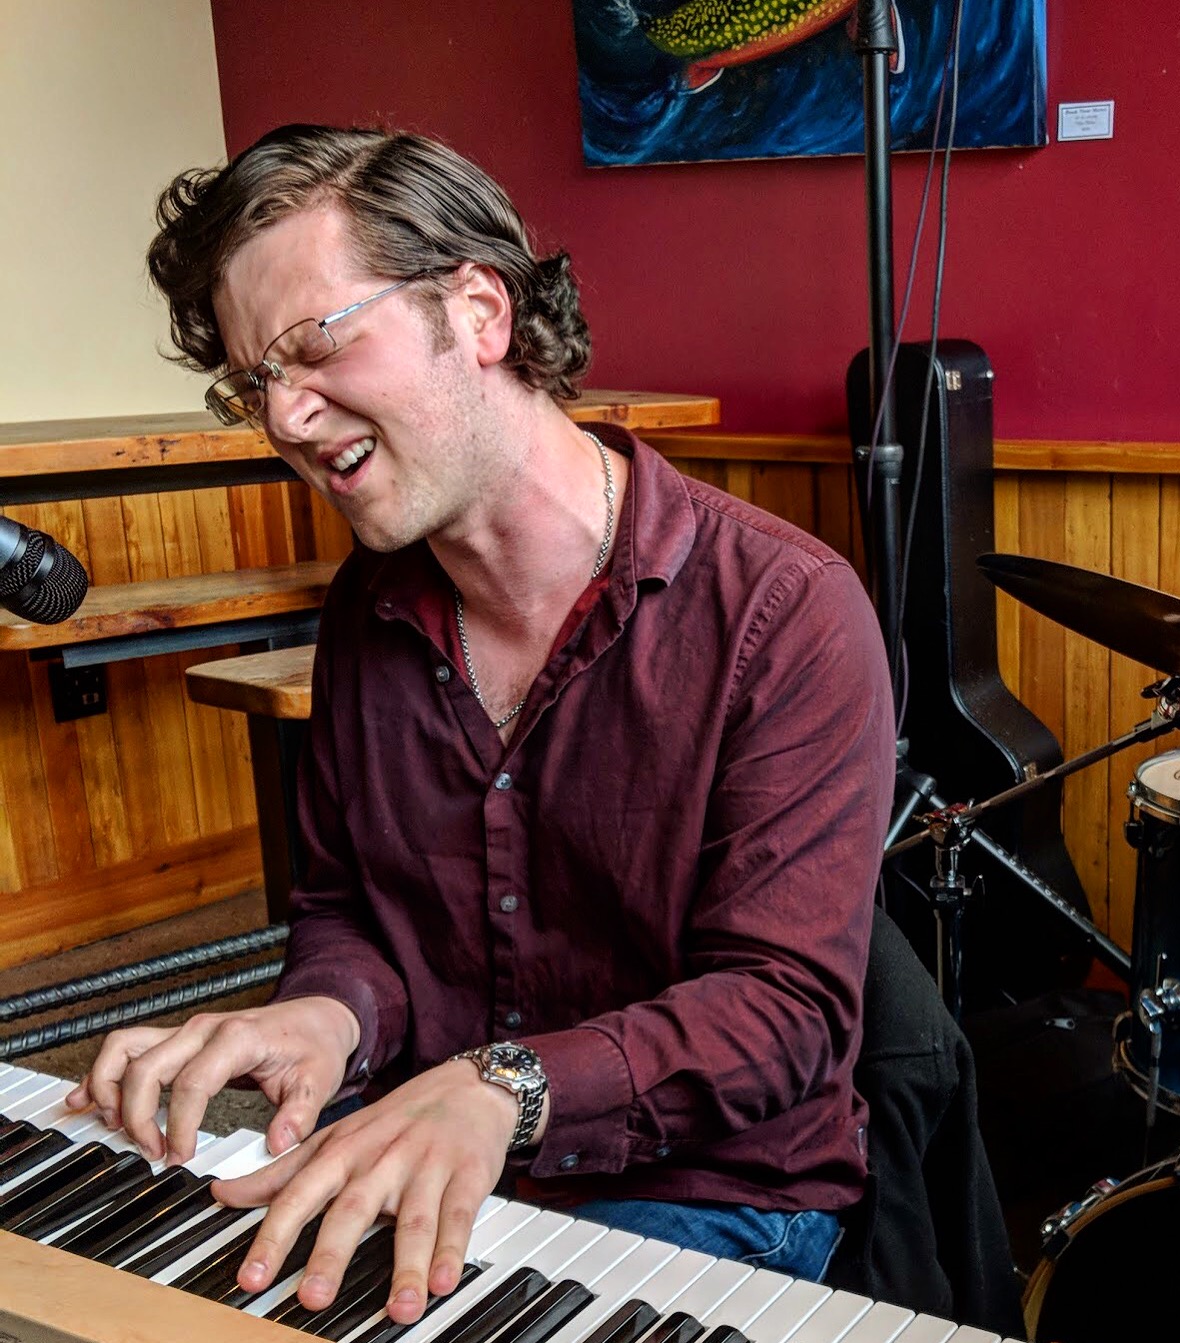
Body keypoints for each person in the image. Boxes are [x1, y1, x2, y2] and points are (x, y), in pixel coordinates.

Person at [67, 123, 898, 1326]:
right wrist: (325, 1015)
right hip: (421, 1139)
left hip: (700, 1192)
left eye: (315, 346)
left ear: (479, 312)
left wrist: (504, 1085)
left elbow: (786, 1010)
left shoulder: (783, 607)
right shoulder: (367, 608)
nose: (285, 417)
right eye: (254, 383)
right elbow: (349, 909)